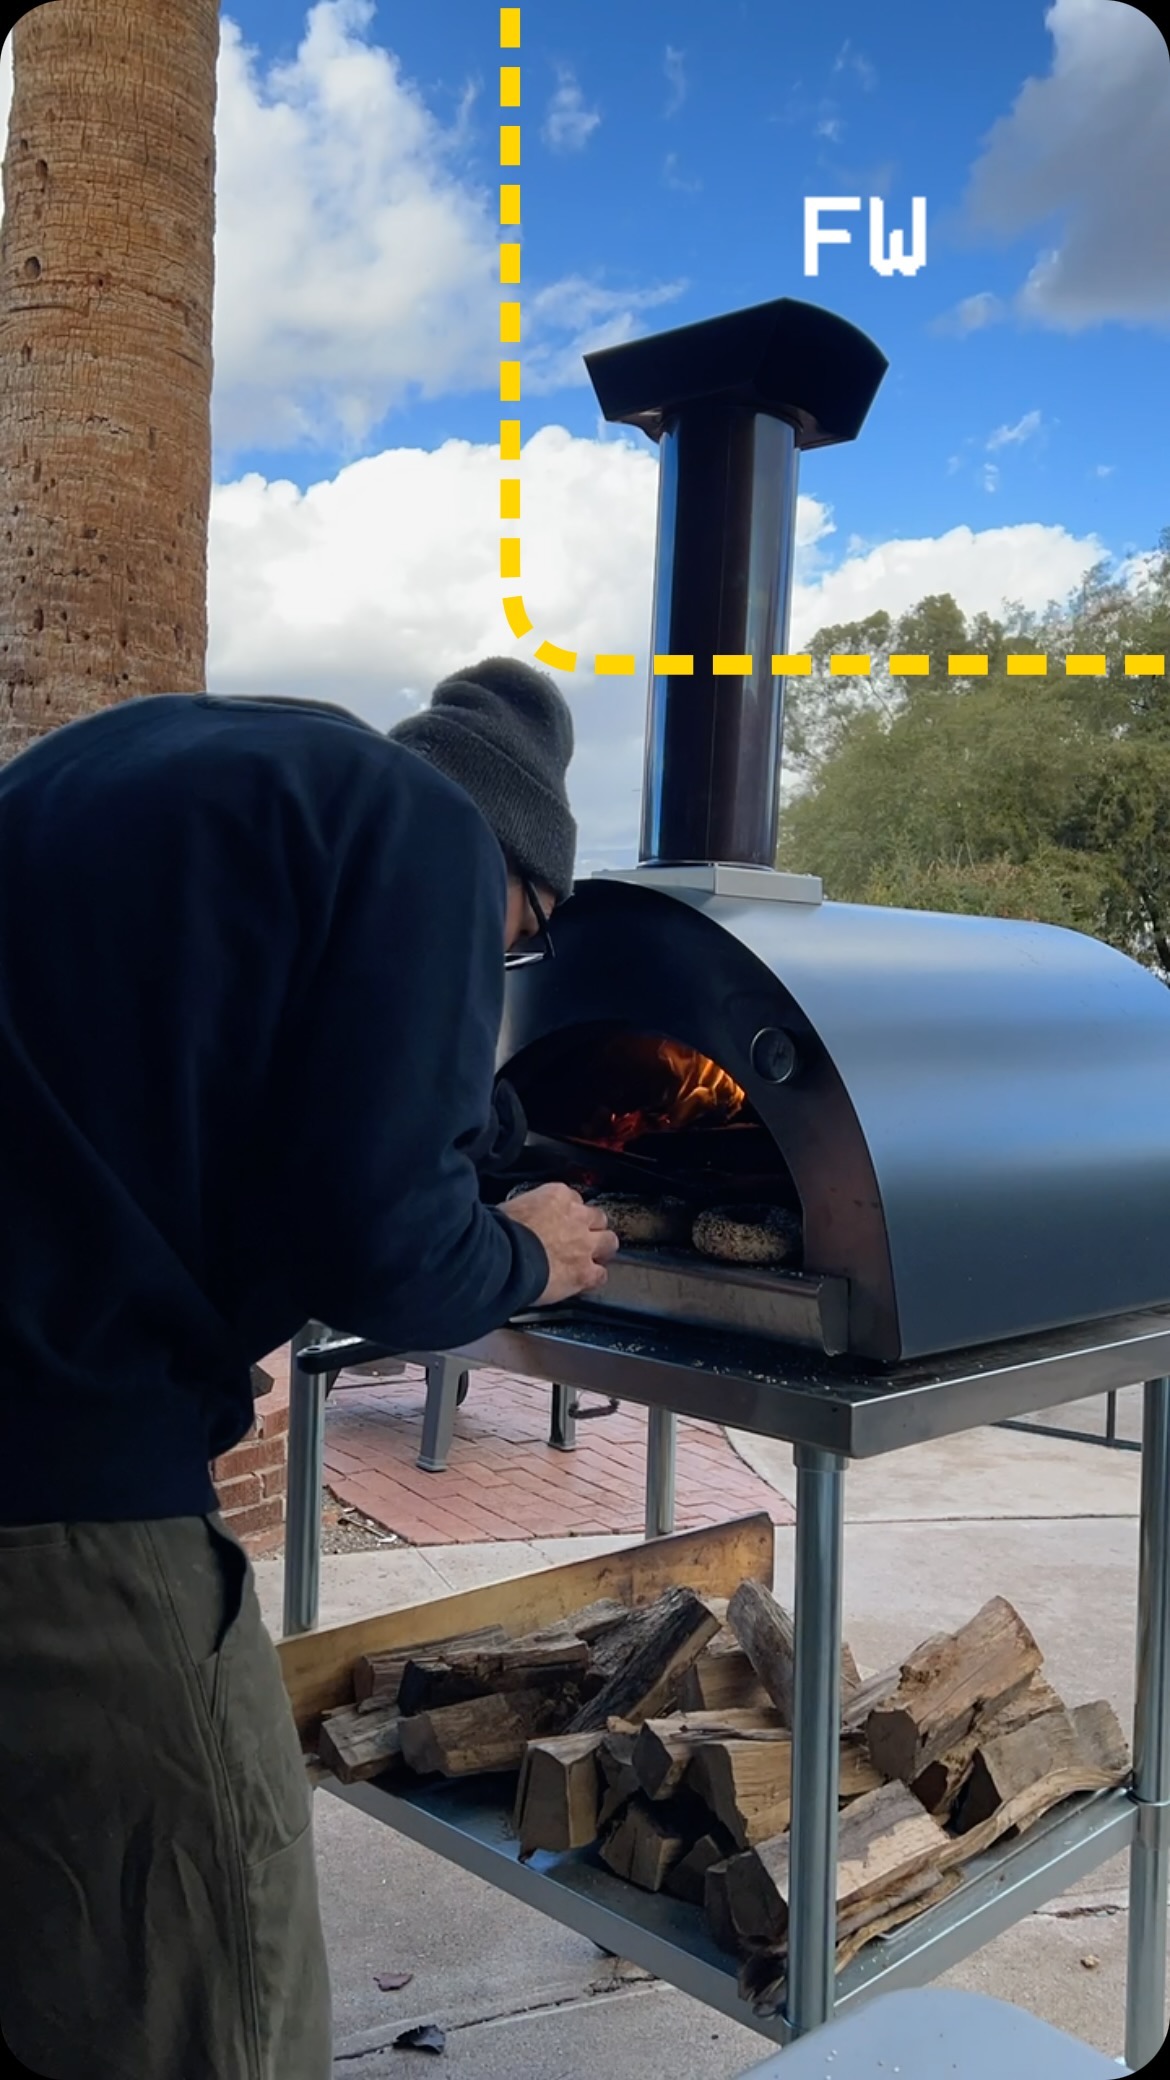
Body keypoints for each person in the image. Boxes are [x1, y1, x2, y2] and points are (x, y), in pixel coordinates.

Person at [0, 657, 618, 2080]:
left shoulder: (140, 767)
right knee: (211, 1996)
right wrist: (527, 1252)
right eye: (514, 944)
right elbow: (388, 1249)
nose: (495, 963)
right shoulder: (423, 830)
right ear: (517, 870)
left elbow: (203, 1105)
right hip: (67, 1515)